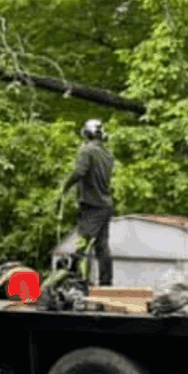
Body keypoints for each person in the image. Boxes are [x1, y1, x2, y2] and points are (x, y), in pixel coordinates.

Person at [61, 119, 115, 286]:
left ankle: (74, 277)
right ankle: (105, 283)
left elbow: (80, 171)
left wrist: (65, 187)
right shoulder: (107, 155)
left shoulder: (87, 150)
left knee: (83, 243)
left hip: (92, 204)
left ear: (87, 134)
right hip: (105, 204)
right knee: (101, 246)